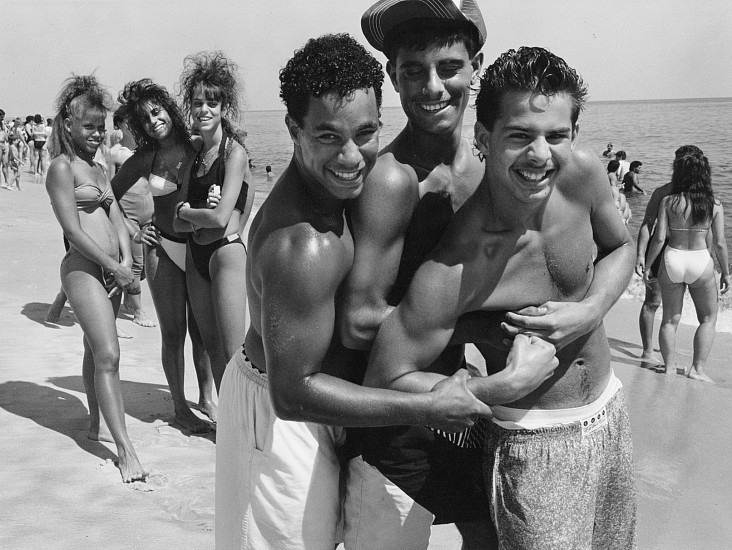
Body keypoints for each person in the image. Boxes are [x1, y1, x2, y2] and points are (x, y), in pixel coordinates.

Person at [342, 2, 630, 547]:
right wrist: (484, 328)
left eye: (448, 67)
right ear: (392, 75)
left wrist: (590, 309)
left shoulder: (514, 166)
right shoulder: (395, 182)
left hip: (485, 407)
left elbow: (616, 244)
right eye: (412, 70)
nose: (432, 88)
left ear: (475, 66)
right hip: (414, 412)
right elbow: (361, 325)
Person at [214, 33, 516, 550]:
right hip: (283, 413)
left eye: (366, 132)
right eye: (328, 136)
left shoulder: (347, 192)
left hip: (334, 404)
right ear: (294, 130)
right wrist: (427, 406)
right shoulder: (304, 244)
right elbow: (294, 394)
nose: (353, 156)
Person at [45, 74, 146, 482]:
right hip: (83, 270)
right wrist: (113, 264)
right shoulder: (61, 167)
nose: (96, 134)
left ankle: (94, 422)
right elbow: (72, 230)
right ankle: (125, 451)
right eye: (88, 126)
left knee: (93, 350)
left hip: (111, 270)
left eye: (100, 127)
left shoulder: (100, 167)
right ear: (69, 124)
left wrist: (127, 256)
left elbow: (115, 216)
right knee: (109, 355)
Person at [113, 79, 216, 431]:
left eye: (156, 112)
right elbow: (109, 198)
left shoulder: (197, 145)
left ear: (168, 109)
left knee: (203, 330)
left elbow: (233, 175)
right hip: (161, 249)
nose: (153, 121)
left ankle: (207, 397)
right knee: (174, 333)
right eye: (144, 120)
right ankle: (180, 408)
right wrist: (134, 231)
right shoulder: (145, 158)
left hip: (199, 246)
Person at [173, 51, 255, 390]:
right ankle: (229, 426)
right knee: (209, 345)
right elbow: (177, 224)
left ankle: (251, 428)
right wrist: (194, 218)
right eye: (197, 103)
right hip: (196, 256)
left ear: (224, 109)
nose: (204, 110)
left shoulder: (234, 154)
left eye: (212, 104)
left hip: (226, 255)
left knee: (236, 351)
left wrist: (187, 213)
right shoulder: (192, 156)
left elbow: (221, 218)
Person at [644, 152, 729, 382]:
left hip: (673, 259)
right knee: (708, 318)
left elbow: (659, 239)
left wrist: (648, 265)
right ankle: (697, 370)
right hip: (700, 260)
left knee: (670, 319)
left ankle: (669, 367)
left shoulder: (668, 202)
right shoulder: (715, 204)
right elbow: (720, 243)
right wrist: (726, 273)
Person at [635, 145, 703, 363]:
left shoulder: (701, 195)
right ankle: (647, 351)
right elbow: (647, 224)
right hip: (662, 249)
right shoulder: (662, 192)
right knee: (653, 302)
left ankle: (666, 352)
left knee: (673, 308)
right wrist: (640, 256)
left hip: (685, 253)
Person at [109, 106, 156, 328]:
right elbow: (109, 189)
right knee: (136, 264)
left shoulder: (143, 151)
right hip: (129, 214)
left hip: (149, 212)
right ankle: (138, 311)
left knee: (147, 266)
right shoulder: (116, 152)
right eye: (130, 123)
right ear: (120, 125)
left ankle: (130, 296)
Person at [32, 113, 48, 179]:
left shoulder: (34, 126)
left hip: (36, 141)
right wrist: (43, 118)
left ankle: (36, 172)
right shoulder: (43, 125)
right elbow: (46, 123)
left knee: (36, 158)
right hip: (42, 141)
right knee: (43, 158)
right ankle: (43, 172)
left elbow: (32, 134)